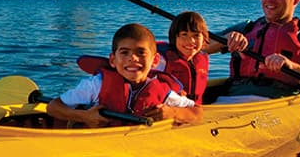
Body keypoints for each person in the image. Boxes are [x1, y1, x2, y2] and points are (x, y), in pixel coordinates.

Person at [48, 23, 199, 126]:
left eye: (141, 53)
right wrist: (85, 116)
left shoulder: (162, 91)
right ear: (113, 60)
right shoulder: (95, 85)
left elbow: (197, 112)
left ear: (155, 61)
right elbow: (53, 107)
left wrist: (172, 112)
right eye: (124, 52)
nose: (132, 58)